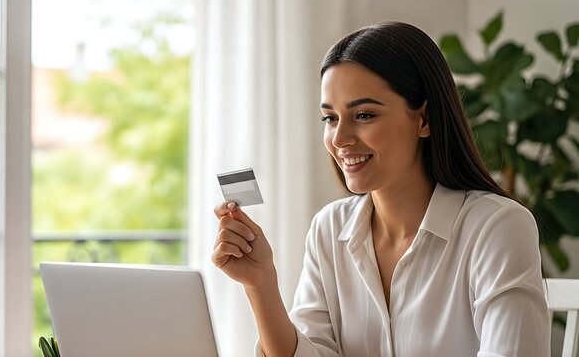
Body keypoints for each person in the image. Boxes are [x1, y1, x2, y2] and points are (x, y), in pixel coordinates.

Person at [211, 21, 550, 357]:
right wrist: (261, 284)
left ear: (423, 119)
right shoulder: (329, 230)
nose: (340, 139)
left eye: (364, 115)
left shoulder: (497, 227)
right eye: (330, 118)